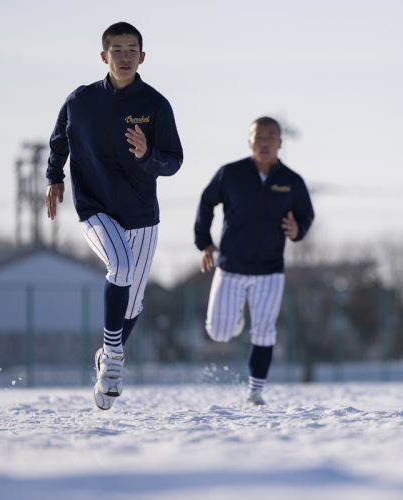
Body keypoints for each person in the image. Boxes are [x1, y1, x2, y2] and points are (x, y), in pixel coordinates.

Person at [45, 22, 183, 410]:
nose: (124, 56)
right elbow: (59, 140)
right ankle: (115, 359)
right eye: (117, 49)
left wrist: (147, 155)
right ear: (104, 56)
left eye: (131, 49)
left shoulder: (155, 105)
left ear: (143, 56)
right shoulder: (80, 100)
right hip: (95, 208)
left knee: (133, 305)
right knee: (119, 267)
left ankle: (107, 357)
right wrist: (54, 178)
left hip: (141, 215)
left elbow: (174, 161)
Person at [194, 116, 314, 406]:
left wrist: (298, 230)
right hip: (231, 266)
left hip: (270, 270)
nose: (264, 142)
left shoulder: (292, 182)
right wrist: (205, 243)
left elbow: (306, 216)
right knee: (219, 332)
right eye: (259, 136)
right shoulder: (230, 174)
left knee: (264, 329)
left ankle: (255, 390)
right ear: (250, 141)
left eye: (271, 136)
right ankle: (234, 319)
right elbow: (207, 202)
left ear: (280, 143)